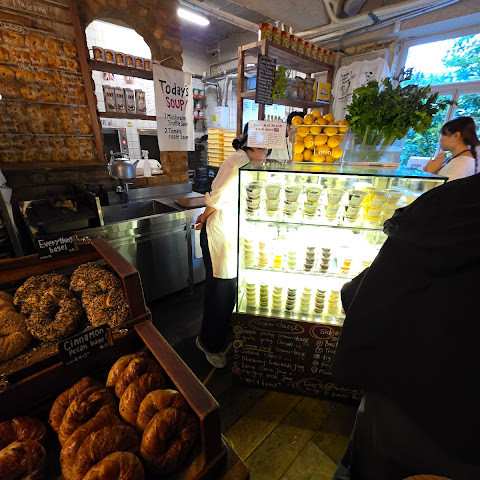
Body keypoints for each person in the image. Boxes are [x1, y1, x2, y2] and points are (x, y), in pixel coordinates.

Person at [331, 172, 480, 479]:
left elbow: (359, 294)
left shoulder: (453, 202)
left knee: (367, 463)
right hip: (466, 435)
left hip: (396, 396)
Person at [194, 129, 267, 368]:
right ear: (250, 144)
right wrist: (203, 217)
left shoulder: (250, 162)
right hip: (219, 235)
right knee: (220, 292)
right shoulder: (237, 160)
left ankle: (219, 333)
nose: (266, 152)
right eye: (263, 146)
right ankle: (208, 344)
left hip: (231, 234)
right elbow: (217, 197)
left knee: (228, 291)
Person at [423, 116, 480, 181]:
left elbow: (442, 188)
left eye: (443, 135)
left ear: (456, 136)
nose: (440, 140)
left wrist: (430, 172)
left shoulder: (461, 164)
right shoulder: (455, 158)